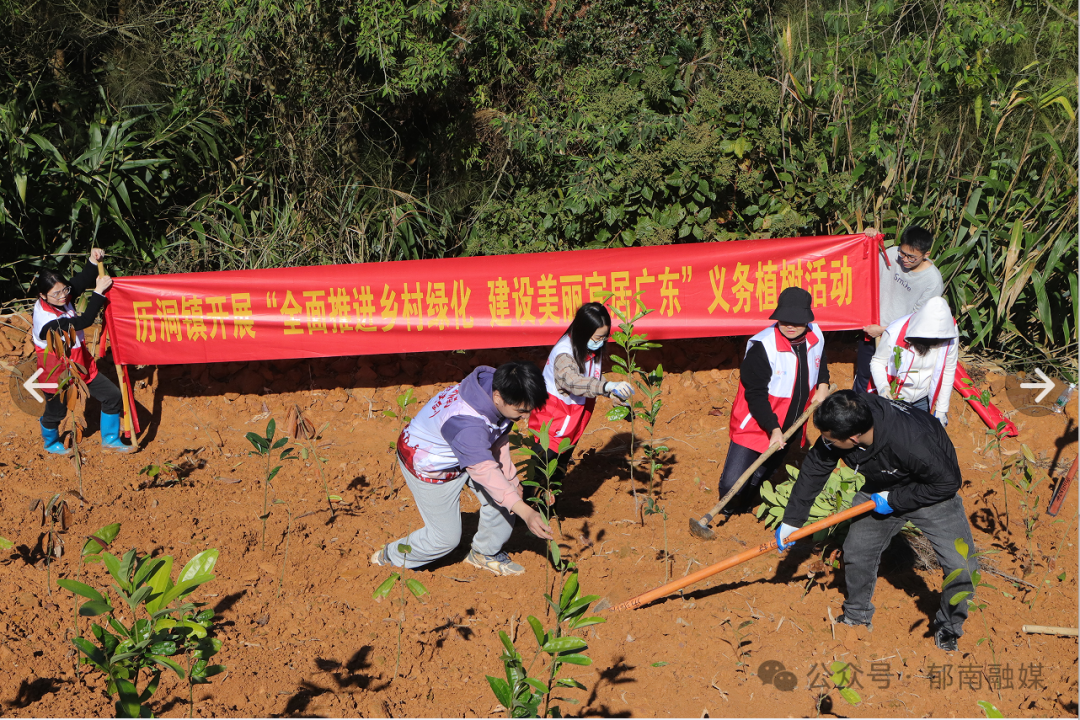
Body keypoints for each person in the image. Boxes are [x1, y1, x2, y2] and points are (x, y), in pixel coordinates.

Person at [775, 391, 977, 652]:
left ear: (853, 438)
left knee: (962, 565)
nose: (825, 443)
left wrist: (895, 498)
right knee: (858, 551)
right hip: (880, 486)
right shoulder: (846, 417)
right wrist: (793, 520)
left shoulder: (913, 442)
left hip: (930, 490)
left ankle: (949, 627)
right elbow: (816, 466)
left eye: (829, 439)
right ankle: (857, 615)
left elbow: (947, 482)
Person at [372, 361, 553, 576]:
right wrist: (525, 511)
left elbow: (497, 438)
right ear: (498, 398)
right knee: (444, 539)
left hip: (463, 451)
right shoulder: (467, 425)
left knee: (507, 494)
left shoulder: (500, 386)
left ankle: (484, 553)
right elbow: (484, 469)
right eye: (521, 411)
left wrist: (511, 482)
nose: (525, 417)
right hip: (428, 465)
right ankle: (390, 556)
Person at [716, 287, 830, 520]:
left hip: (792, 422)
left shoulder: (815, 335)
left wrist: (824, 384)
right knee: (731, 483)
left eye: (797, 321)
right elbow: (755, 394)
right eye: (784, 319)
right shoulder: (762, 346)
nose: (789, 325)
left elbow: (821, 361)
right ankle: (729, 511)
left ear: (808, 320)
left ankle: (746, 507)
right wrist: (773, 428)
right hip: (757, 422)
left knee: (763, 471)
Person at [527, 302, 633, 504]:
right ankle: (526, 510)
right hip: (552, 420)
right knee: (542, 468)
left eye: (604, 337)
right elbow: (573, 382)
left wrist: (614, 396)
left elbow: (591, 378)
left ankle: (551, 508)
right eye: (597, 338)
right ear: (583, 331)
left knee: (560, 466)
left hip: (572, 418)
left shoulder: (589, 349)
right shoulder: (564, 353)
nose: (601, 342)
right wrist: (607, 386)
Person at [32, 248, 131, 454]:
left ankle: (111, 440)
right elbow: (85, 321)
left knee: (112, 395)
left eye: (64, 290)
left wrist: (93, 261)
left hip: (80, 363)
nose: (63, 296)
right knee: (57, 412)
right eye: (56, 293)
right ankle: (50, 443)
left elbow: (79, 282)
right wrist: (98, 293)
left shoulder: (62, 296)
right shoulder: (48, 321)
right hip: (57, 371)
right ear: (43, 296)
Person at [853, 226, 944, 394]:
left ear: (926, 255)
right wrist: (868, 239)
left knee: (890, 380)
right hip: (871, 329)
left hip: (900, 341)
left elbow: (918, 320)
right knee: (863, 375)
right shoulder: (892, 254)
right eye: (903, 253)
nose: (904, 260)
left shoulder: (932, 281)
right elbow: (866, 264)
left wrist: (883, 330)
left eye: (912, 257)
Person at [870, 296, 958, 424]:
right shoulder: (896, 332)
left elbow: (948, 369)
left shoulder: (950, 330)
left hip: (923, 398)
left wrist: (941, 409)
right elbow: (877, 362)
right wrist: (883, 388)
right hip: (897, 395)